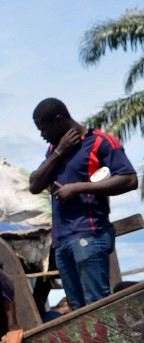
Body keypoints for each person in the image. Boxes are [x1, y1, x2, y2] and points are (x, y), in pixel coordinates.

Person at [29, 97, 138, 310]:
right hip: (62, 242)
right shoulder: (54, 151)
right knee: (77, 310)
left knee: (98, 305)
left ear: (59, 120)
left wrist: (79, 187)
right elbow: (34, 185)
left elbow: (130, 179)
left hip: (89, 234)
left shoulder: (100, 141)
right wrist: (59, 151)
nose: (42, 135)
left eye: (43, 129)